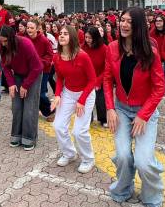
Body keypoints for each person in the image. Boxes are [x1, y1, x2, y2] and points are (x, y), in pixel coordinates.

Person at [104, 7, 165, 207]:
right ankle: (123, 189)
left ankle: (152, 195)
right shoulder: (112, 48)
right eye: (122, 20)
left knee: (143, 161)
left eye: (129, 21)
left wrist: (143, 115)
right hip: (121, 109)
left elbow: (159, 88)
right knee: (123, 155)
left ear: (138, 26)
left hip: (144, 112)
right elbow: (107, 79)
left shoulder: (151, 53)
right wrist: (110, 109)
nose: (123, 24)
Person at [52, 26, 97, 173]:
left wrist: (82, 100)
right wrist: (57, 95)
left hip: (86, 94)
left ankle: (88, 159)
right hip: (68, 93)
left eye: (65, 34)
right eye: (61, 33)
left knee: (79, 131)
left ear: (72, 37)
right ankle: (69, 153)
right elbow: (60, 77)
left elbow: (92, 80)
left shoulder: (82, 56)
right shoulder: (57, 56)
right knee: (58, 126)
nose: (62, 36)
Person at [0, 26, 43, 151]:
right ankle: (16, 135)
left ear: (12, 38)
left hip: (33, 74)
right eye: (1, 41)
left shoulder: (26, 44)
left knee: (29, 107)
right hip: (18, 75)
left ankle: (29, 138)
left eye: (6, 41)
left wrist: (26, 85)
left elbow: (37, 67)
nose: (3, 44)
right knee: (17, 106)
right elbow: (5, 66)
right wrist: (11, 83)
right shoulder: (2, 47)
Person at [26, 19, 55, 122]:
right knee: (32, 91)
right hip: (30, 71)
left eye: (31, 28)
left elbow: (50, 55)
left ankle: (50, 111)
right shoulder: (25, 39)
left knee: (41, 92)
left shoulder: (44, 40)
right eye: (28, 27)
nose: (29, 30)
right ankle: (35, 109)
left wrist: (39, 62)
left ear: (37, 29)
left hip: (44, 70)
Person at [82, 27, 107, 127]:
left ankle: (103, 118)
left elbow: (107, 68)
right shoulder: (83, 48)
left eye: (90, 38)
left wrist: (98, 81)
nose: (87, 40)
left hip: (99, 78)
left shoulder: (104, 48)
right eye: (86, 37)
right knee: (87, 100)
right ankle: (88, 118)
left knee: (100, 101)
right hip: (86, 80)